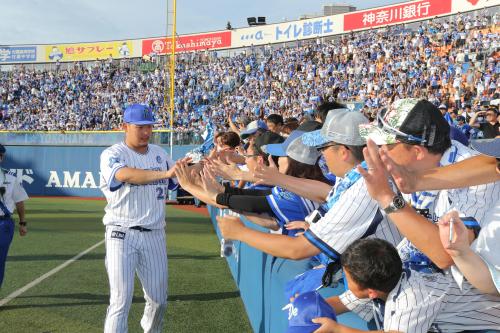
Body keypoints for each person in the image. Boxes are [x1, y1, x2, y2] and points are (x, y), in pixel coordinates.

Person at [215, 109, 401, 262]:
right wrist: (279, 179)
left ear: (343, 152)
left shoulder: (364, 186)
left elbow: (298, 250)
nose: (322, 155)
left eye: (322, 149)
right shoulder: (359, 177)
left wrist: (241, 233)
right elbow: (328, 193)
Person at [358, 98, 500, 273]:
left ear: (417, 151)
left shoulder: (480, 182)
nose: (379, 151)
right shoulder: (411, 167)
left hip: (469, 281)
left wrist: (386, 197)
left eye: (385, 144)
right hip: (421, 262)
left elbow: (448, 256)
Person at [99, 104, 179, 333]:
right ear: (125, 126)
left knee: (158, 300)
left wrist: (200, 164)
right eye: (140, 127)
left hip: (154, 234)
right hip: (120, 232)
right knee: (120, 300)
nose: (146, 132)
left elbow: (180, 179)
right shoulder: (112, 154)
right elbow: (125, 175)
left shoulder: (159, 153)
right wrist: (165, 174)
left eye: (150, 127)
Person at [312, 238, 500, 333]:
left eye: (347, 277)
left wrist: (338, 329)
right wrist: (308, 309)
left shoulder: (411, 298)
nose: (346, 281)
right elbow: (343, 302)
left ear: (371, 292)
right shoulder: (386, 272)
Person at [0, 144, 28, 288]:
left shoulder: (10, 179)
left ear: (2, 158)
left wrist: (23, 223)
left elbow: (19, 202)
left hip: (3, 225)